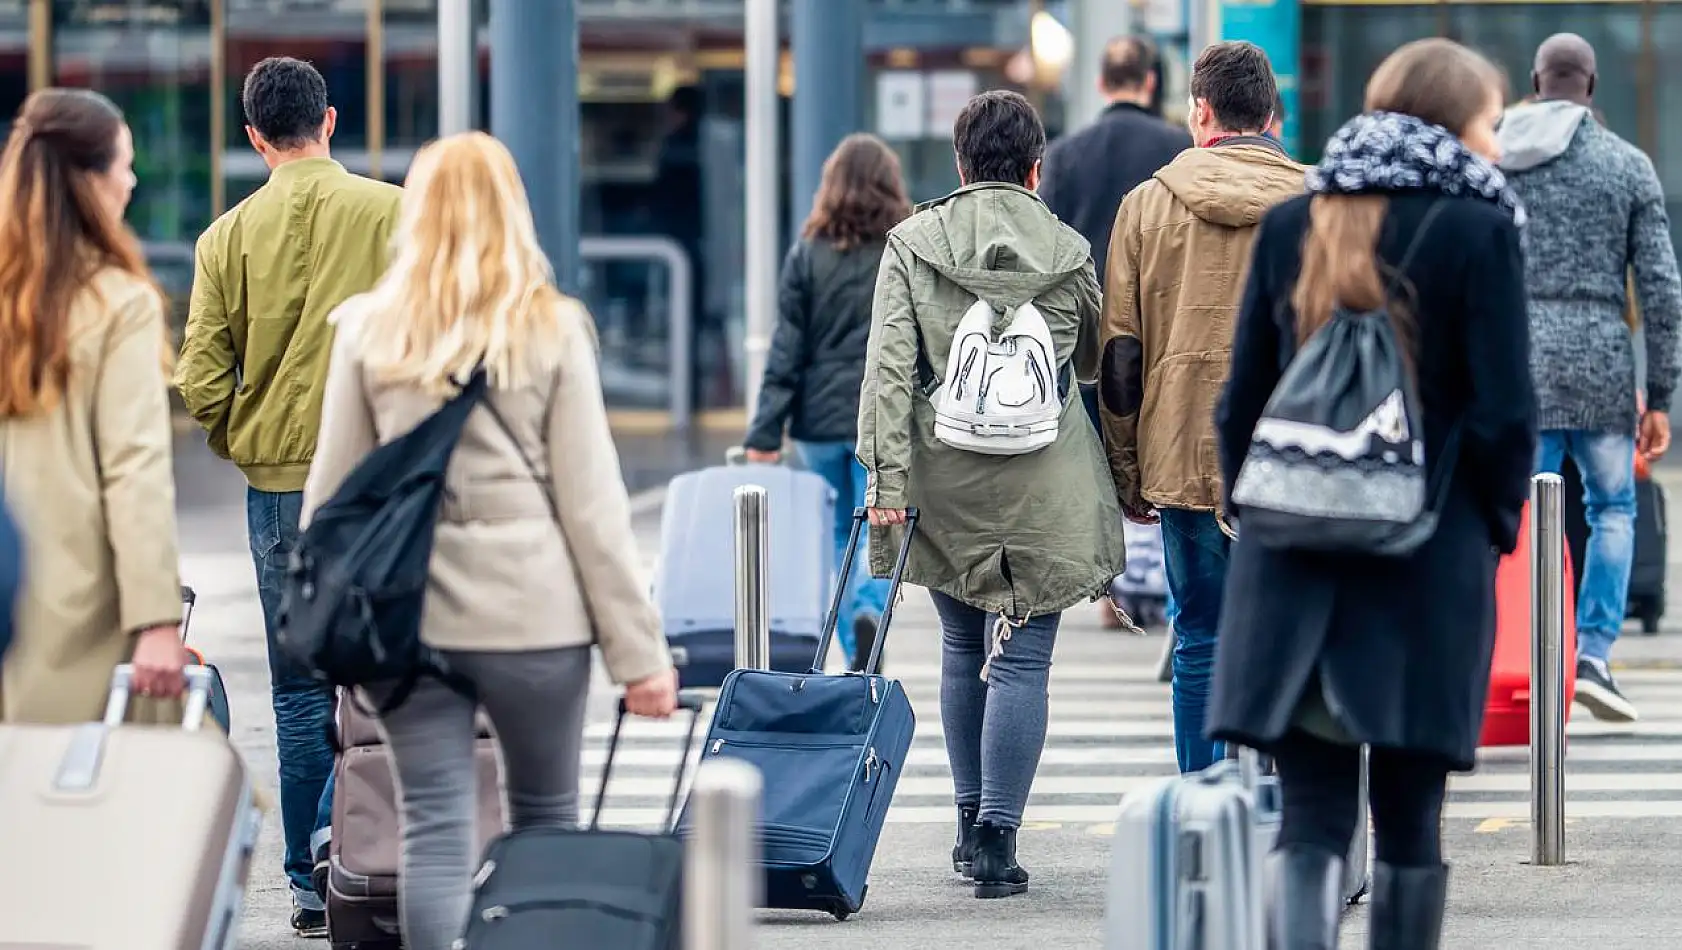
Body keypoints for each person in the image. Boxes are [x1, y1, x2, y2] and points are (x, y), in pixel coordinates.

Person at [301, 131, 679, 950]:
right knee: (544, 821)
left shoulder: (369, 331)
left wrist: (333, 622)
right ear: (514, 212)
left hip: (409, 624)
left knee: (434, 827)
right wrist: (638, 657)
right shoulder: (552, 330)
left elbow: (330, 500)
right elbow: (593, 509)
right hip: (534, 619)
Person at [1209, 38, 1537, 948]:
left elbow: (1240, 404)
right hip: (1425, 565)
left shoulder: (1290, 224)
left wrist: (1263, 519)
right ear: (1450, 126)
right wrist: (1492, 528)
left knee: (1309, 815)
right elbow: (1509, 414)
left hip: (1294, 563)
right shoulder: (1479, 232)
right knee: (1408, 820)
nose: (1499, 147)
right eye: (1489, 125)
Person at [858, 89, 1126, 900]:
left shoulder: (912, 245)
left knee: (961, 648)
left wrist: (888, 483)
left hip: (946, 479)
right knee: (1025, 661)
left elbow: (891, 375)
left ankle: (967, 824)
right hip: (1045, 480)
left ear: (961, 163)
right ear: (1037, 169)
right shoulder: (1070, 248)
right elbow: (1087, 363)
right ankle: (999, 838)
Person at [175, 56, 403, 937]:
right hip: (376, 484)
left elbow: (198, 374)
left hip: (278, 490)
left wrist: (247, 438)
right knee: (382, 679)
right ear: (332, 121)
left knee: (299, 689)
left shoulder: (224, 238)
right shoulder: (392, 213)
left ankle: (308, 885)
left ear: (254, 138)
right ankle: (372, 860)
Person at [1099, 41, 1306, 775]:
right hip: (1296, 458)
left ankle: (1201, 805)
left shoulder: (1146, 206)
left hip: (1183, 454)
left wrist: (1128, 471)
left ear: (1202, 112)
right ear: (1271, 114)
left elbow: (1120, 355)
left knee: (1199, 639)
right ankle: (1291, 812)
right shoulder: (1318, 204)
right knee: (1292, 639)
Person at [1497, 33, 1681, 724]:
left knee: (1517, 512)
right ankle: (1595, 654)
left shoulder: (1501, 158)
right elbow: (1662, 290)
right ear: (1593, 86)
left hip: (1522, 360)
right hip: (1603, 358)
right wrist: (1660, 395)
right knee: (1612, 510)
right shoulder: (1627, 164)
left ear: (1535, 81)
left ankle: (1524, 647)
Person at [0, 89, 188, 719]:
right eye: (124, 164)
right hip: (73, 615)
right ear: (90, 181)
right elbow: (133, 468)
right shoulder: (118, 304)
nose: (130, 182)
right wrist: (157, 619)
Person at [1037, 35, 1190, 630]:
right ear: (1150, 83)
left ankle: (1112, 590)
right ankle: (1169, 589)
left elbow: (1050, 244)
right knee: (1163, 454)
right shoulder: (1178, 149)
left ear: (1102, 83)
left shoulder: (1068, 154)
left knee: (1104, 457)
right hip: (1162, 322)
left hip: (1091, 335)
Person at [742, 133, 910, 671]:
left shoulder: (807, 256)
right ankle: (868, 614)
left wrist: (764, 433)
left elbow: (786, 349)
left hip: (815, 423)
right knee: (882, 529)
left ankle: (849, 638)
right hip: (881, 422)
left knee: (836, 533)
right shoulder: (902, 251)